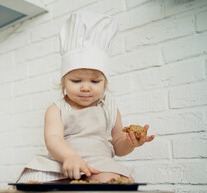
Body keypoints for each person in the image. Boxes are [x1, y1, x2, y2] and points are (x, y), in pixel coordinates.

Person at [16, 11, 155, 183]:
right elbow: (53, 139)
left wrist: (130, 143)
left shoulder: (109, 107)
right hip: (63, 162)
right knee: (33, 183)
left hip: (99, 164)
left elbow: (118, 146)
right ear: (63, 82)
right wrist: (70, 157)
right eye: (76, 80)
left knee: (115, 182)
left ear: (105, 82)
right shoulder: (56, 109)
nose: (85, 87)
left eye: (95, 81)